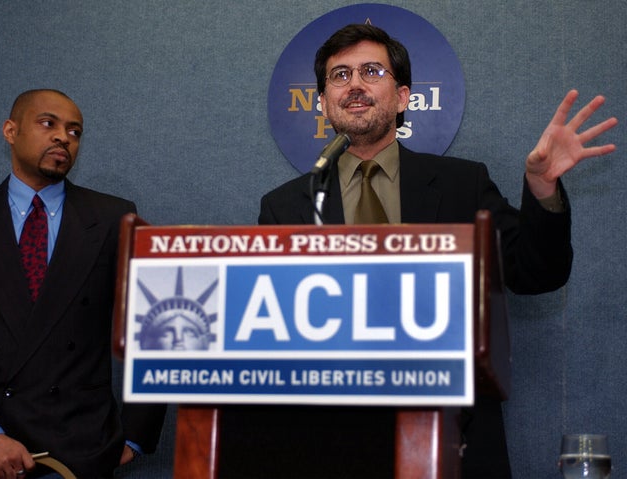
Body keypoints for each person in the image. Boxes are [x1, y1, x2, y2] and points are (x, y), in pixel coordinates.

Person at [220, 24, 617, 478]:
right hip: (325, 441)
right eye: (339, 75)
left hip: (452, 439)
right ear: (324, 101)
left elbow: (536, 271)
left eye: (372, 71)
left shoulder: (461, 184)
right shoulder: (285, 205)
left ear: (404, 96)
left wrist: (542, 188)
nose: (354, 84)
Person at [0, 89, 166, 478]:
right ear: (10, 131)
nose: (64, 137)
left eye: (75, 131)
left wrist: (134, 435)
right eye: (48, 124)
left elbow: (152, 331)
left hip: (80, 449)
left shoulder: (114, 217)